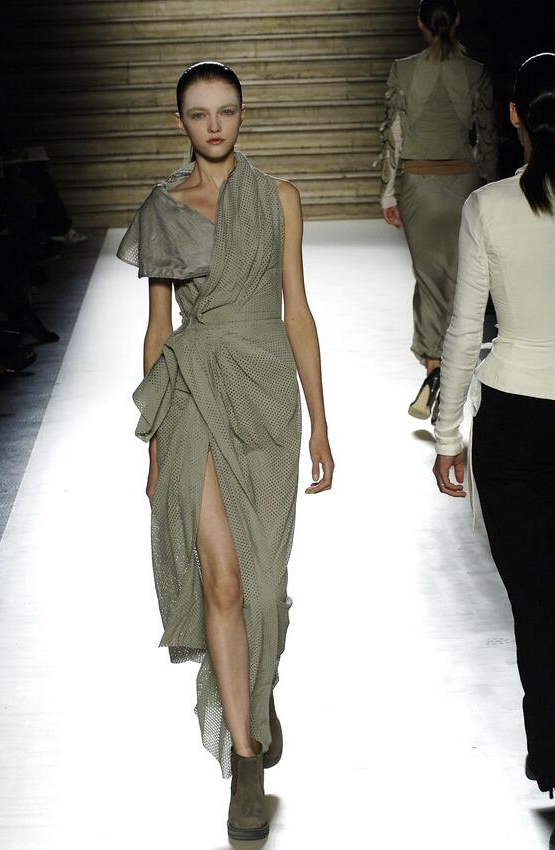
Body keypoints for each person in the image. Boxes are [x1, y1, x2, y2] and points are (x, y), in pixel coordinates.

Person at [117, 61, 334, 841]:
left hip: (266, 394)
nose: (214, 125)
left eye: (227, 111)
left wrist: (321, 422)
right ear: (180, 121)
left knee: (265, 586)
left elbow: (296, 310)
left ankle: (255, 684)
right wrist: (152, 445)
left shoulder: (278, 199)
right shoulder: (164, 208)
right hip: (192, 396)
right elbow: (158, 327)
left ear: (242, 116)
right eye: (199, 113)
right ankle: (245, 760)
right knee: (226, 580)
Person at [433, 53, 555, 846]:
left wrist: (446, 432)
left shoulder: (487, 207)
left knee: (537, 607)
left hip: (512, 423)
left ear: (512, 117)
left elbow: (463, 326)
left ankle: (553, 754)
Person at [379, 0, 497, 422]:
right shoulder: (476, 72)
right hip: (464, 184)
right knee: (462, 281)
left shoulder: (403, 70)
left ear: (420, 24)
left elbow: (394, 135)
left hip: (419, 187)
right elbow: (486, 135)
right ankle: (451, 378)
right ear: (458, 21)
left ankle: (434, 370)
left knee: (430, 282)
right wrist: (491, 190)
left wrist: (388, 194)